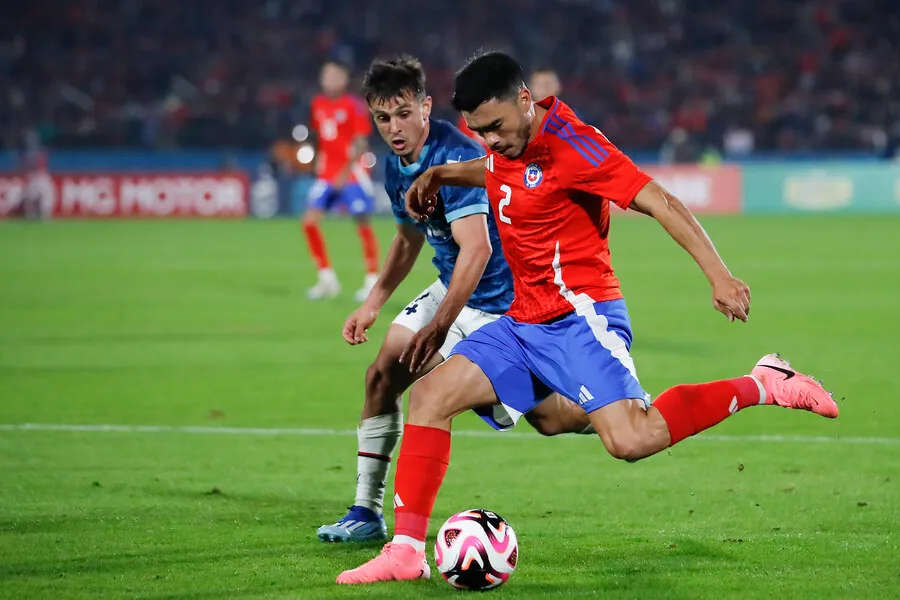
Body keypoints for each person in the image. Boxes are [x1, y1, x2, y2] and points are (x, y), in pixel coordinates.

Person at [336, 52, 838, 585]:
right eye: (480, 131)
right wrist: (442, 171)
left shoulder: (575, 144)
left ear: (524, 100)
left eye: (498, 127)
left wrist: (719, 275)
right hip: (521, 321)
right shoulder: (505, 144)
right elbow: (499, 169)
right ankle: (407, 552)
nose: (492, 140)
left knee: (630, 440)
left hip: (580, 319)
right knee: (441, 398)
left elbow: (660, 200)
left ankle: (762, 382)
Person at [318, 56, 591, 544]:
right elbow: (407, 240)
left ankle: (615, 406)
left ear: (426, 106)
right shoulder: (394, 166)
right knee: (383, 374)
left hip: (504, 305)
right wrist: (373, 303)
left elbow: (479, 250)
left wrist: (439, 327)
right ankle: (366, 512)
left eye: (404, 114)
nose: (394, 128)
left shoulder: (452, 154)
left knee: (553, 419)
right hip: (452, 288)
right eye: (383, 118)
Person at [303, 59, 381, 302]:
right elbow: (321, 136)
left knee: (362, 223)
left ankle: (372, 280)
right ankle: (326, 279)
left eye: (335, 75)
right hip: (327, 174)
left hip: (353, 174)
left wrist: (345, 172)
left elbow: (360, 142)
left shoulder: (354, 106)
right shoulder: (317, 104)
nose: (329, 80)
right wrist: (318, 163)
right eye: (326, 75)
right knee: (309, 222)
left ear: (344, 79)